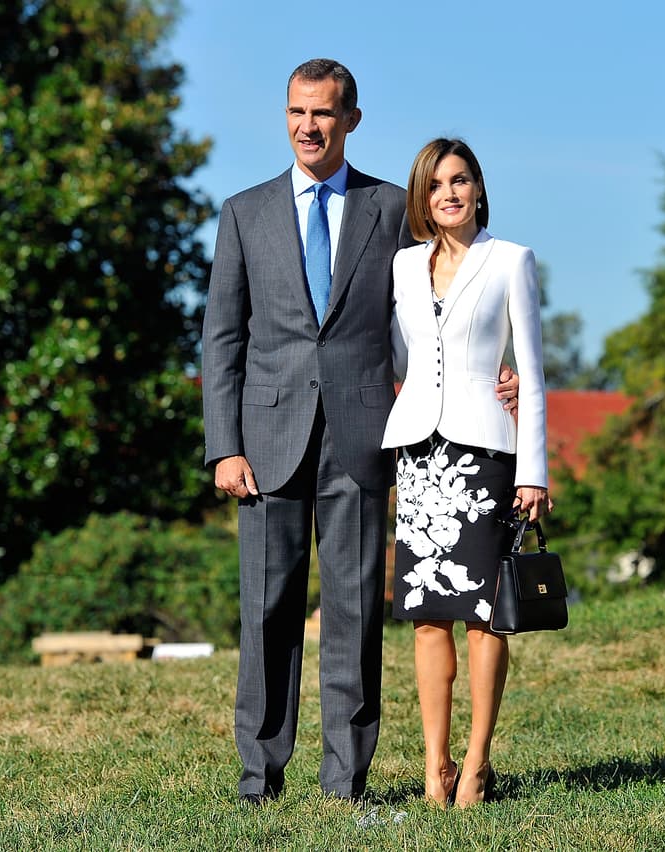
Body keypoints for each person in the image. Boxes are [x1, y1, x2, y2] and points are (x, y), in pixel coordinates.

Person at [201, 61, 517, 804]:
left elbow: (433, 305)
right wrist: (224, 445)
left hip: (364, 437)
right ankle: (259, 780)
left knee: (353, 614)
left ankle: (346, 783)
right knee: (267, 613)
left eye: (324, 113)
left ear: (352, 120)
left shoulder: (387, 209)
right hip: (265, 444)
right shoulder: (244, 213)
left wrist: (489, 371)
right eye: (296, 112)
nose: (308, 125)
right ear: (285, 118)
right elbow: (222, 339)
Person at [381, 138, 550, 808]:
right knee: (427, 617)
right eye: (434, 185)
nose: (447, 194)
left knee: (485, 616)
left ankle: (478, 763)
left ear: (478, 188)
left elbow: (532, 375)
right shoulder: (401, 268)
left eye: (459, 181)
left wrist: (533, 471)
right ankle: (435, 768)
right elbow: (400, 362)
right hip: (419, 457)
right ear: (422, 198)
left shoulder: (511, 261)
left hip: (486, 456)